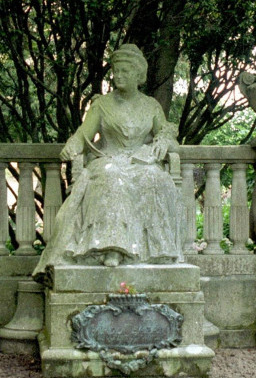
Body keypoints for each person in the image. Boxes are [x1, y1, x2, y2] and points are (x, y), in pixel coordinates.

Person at [32, 44, 183, 278]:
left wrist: (163, 141)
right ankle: (110, 248)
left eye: (124, 71)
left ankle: (159, 249)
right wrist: (72, 145)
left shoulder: (151, 106)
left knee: (155, 179)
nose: (118, 76)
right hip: (108, 158)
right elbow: (84, 135)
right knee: (112, 178)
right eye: (116, 71)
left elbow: (171, 141)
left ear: (137, 75)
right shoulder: (102, 104)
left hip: (140, 162)